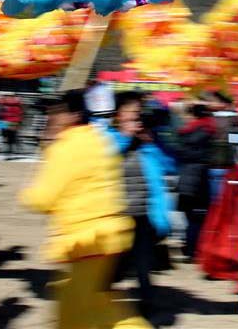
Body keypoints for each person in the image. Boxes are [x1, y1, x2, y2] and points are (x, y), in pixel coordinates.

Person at [20, 89, 150, 329]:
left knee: (78, 310)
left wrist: (26, 194)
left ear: (72, 115)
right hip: (108, 234)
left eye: (56, 112)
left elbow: (43, 198)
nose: (51, 117)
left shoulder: (67, 147)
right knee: (94, 303)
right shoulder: (97, 139)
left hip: (88, 238)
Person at [107, 91, 175, 316]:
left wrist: (150, 143)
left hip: (143, 214)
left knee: (143, 265)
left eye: (139, 111)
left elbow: (170, 165)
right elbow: (104, 162)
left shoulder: (147, 140)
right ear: (118, 114)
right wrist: (126, 137)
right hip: (115, 215)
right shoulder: (108, 137)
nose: (137, 116)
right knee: (115, 267)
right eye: (132, 111)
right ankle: (97, 298)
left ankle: (147, 306)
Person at [175, 102, 216, 259]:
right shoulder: (207, 131)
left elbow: (180, 153)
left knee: (192, 217)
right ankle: (193, 248)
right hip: (198, 180)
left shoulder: (186, 133)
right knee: (197, 218)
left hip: (188, 179)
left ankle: (190, 247)